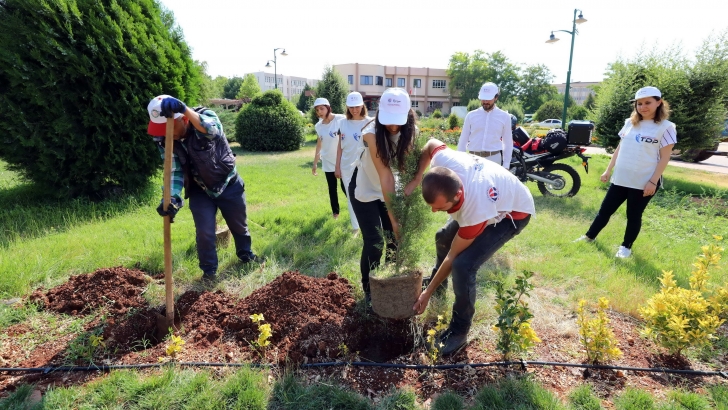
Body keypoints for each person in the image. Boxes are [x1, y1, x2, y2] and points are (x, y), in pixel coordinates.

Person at [409, 139, 535, 355]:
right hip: (486, 197)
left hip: (513, 213)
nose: (433, 212)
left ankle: (459, 331)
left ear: (457, 195)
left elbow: (453, 256)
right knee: (442, 236)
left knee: (463, 265)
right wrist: (418, 176)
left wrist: (425, 293)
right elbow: (430, 144)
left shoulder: (475, 210)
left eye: (439, 208)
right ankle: (439, 286)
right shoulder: (443, 159)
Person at [147, 95, 263, 281]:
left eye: (168, 127)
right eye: (160, 129)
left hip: (228, 184)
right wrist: (171, 198)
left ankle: (246, 256)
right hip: (200, 190)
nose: (165, 134)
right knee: (205, 232)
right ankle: (209, 272)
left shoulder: (204, 117)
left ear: (183, 119)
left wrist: (184, 109)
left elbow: (213, 131)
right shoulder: (164, 140)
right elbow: (174, 170)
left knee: (239, 226)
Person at [575, 86, 676, 258]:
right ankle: (589, 236)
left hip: (644, 181)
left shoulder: (666, 127)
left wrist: (653, 181)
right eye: (639, 103)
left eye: (648, 103)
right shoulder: (630, 123)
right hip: (621, 178)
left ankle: (625, 248)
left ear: (659, 103)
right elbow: (620, 148)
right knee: (605, 210)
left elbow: (664, 158)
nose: (643, 107)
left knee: (633, 215)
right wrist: (608, 170)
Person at [350, 88, 417, 304]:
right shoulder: (370, 132)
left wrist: (403, 213)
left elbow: (405, 170)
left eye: (399, 120)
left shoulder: (411, 131)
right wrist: (395, 220)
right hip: (366, 188)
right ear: (380, 113)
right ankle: (369, 290)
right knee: (375, 240)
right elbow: (385, 174)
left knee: (394, 240)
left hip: (390, 188)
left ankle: (388, 282)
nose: (393, 126)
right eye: (389, 120)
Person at [456, 82, 513, 169]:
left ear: (496, 97)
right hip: (473, 158)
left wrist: (506, 165)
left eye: (488, 99)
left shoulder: (505, 117)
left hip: (494, 159)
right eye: (483, 99)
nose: (485, 101)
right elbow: (463, 140)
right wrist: (460, 162)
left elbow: (508, 142)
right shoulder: (471, 116)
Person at [335, 92, 369, 235]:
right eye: (351, 107)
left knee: (367, 195)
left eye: (357, 107)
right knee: (351, 197)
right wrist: (337, 166)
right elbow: (339, 146)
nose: (354, 110)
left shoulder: (369, 122)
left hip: (366, 166)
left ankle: (368, 224)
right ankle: (356, 227)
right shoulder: (342, 123)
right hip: (347, 166)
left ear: (362, 106)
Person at [312, 98, 347, 218]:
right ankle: (335, 213)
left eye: (322, 108)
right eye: (317, 110)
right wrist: (315, 163)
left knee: (346, 188)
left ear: (328, 107)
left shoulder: (340, 119)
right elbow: (319, 144)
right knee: (332, 189)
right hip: (327, 161)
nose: (319, 112)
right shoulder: (318, 126)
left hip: (342, 161)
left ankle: (356, 210)